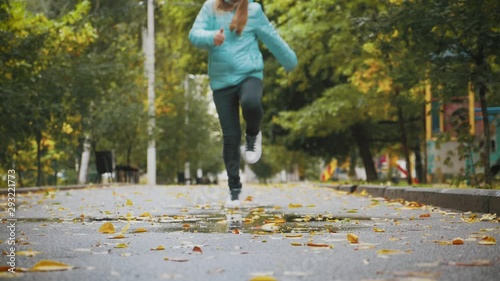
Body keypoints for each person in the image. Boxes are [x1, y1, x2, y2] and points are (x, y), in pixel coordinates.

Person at [189, 0, 297, 207]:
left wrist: (290, 60)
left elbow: (272, 38)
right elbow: (194, 35)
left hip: (249, 74)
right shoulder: (210, 7)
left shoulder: (253, 11)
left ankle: (253, 134)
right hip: (221, 82)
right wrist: (212, 37)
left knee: (251, 103)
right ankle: (234, 190)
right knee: (230, 137)